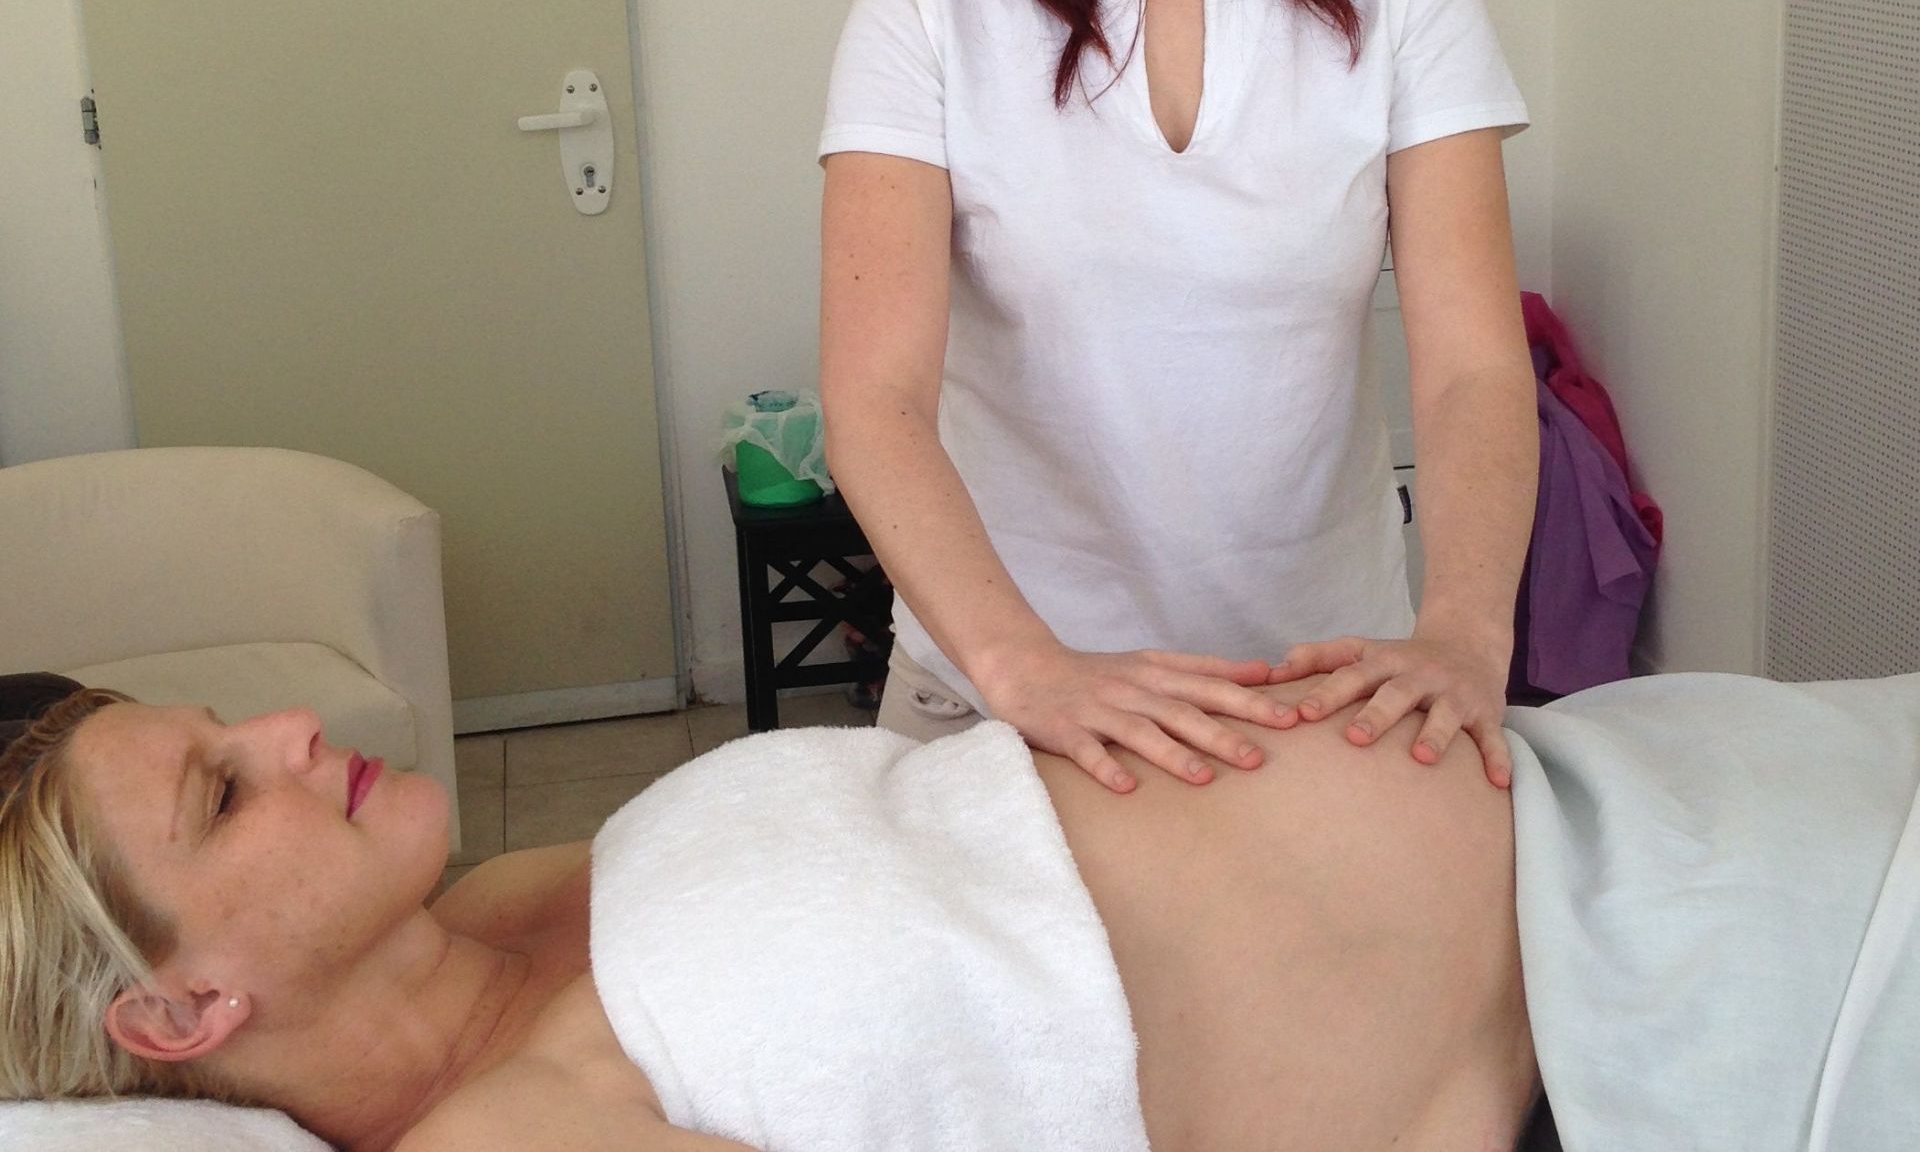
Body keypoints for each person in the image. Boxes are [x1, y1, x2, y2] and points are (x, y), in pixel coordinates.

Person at [6, 670, 1919, 1152]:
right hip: (1621, 1033)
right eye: (222, 790)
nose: (287, 730)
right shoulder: (510, 1136)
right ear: (175, 1017)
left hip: (1614, 795)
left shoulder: (507, 909)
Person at [819, 0, 1538, 795]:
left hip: (1321, 693)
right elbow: (877, 399)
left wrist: (1467, 632)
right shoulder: (927, 6)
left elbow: (1474, 367)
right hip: (1002, 699)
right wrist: (1029, 667)